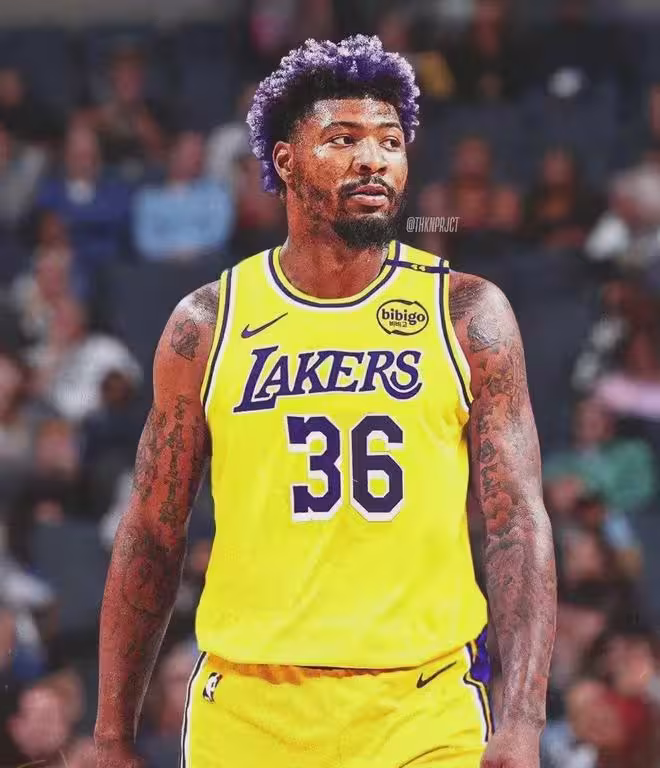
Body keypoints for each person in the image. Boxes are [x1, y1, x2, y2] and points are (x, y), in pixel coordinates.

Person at [95, 35, 556, 768]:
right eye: (342, 139)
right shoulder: (206, 325)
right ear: (284, 161)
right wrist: (112, 736)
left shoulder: (468, 314)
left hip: (423, 707)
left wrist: (524, 717)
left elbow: (515, 523)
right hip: (249, 710)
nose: (373, 159)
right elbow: (153, 530)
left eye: (390, 141)